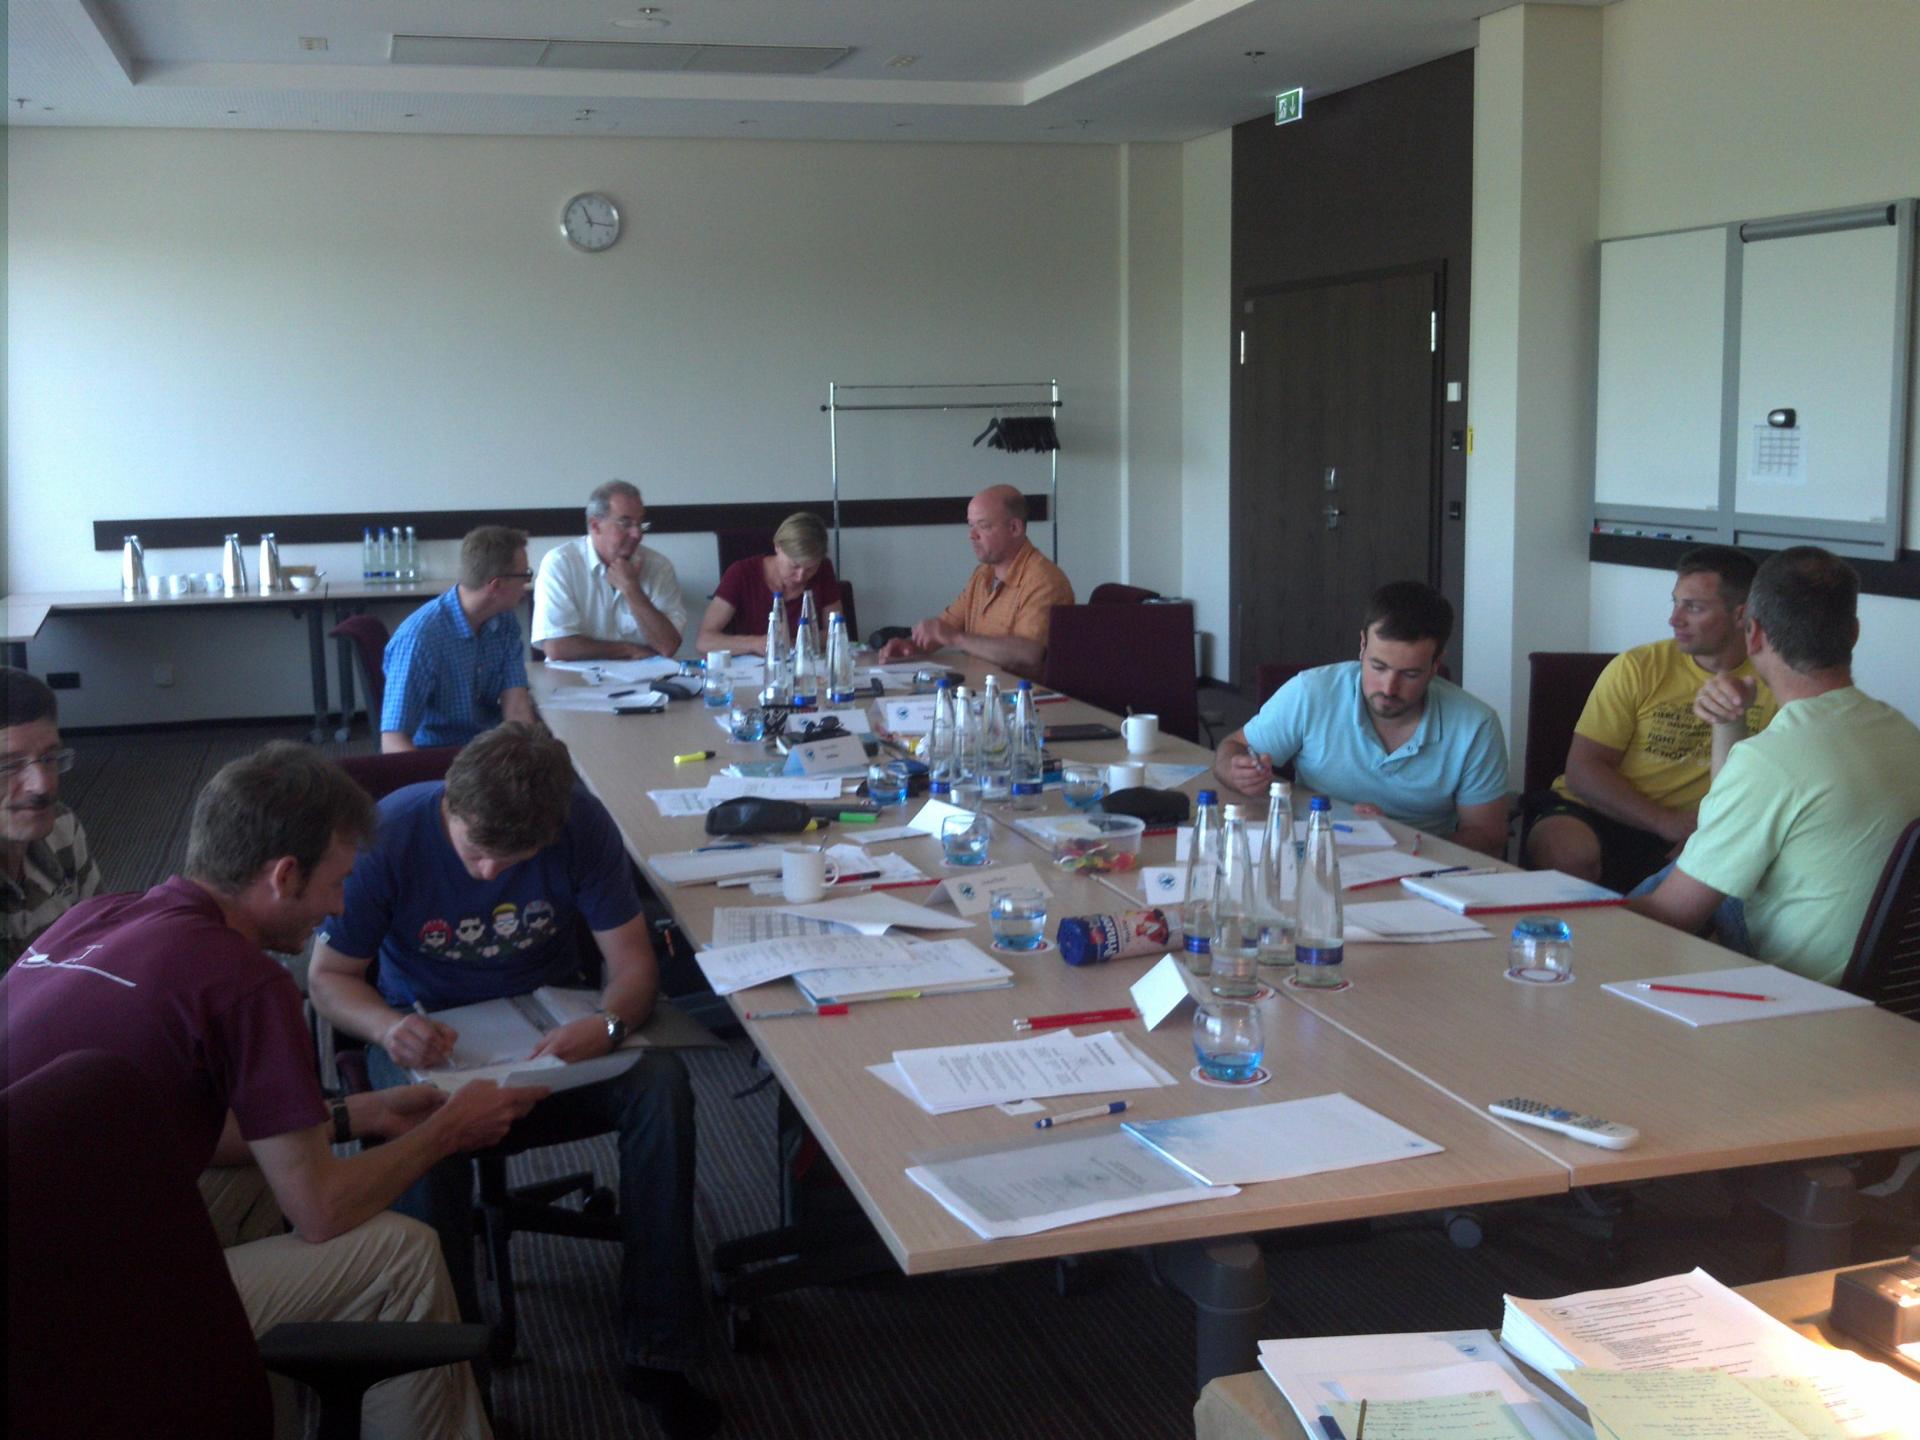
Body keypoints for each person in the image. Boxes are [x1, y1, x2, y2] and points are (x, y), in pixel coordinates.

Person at [1, 742, 541, 1440]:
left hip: (37, 1237)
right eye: (337, 883)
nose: (340, 905)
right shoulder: (248, 981)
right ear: (284, 876)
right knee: (400, 1253)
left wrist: (359, 1113)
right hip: (54, 1317)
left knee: (259, 1171)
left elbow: (171, 1124)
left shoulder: (100, 916)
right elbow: (321, 1210)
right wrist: (448, 1131)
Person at [308, 722, 718, 1439]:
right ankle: (455, 1383)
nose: (489, 873)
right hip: (424, 1034)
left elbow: (632, 965)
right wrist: (386, 1027)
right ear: (450, 805)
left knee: (661, 1085)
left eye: (512, 859)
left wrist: (611, 1025)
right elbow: (329, 978)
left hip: (549, 1031)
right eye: (475, 853)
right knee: (420, 1133)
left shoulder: (581, 823)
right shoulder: (391, 837)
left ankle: (660, 1350)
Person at [1629, 547, 1920, 985]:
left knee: (1656, 899)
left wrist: (1571, 913)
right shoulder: (1903, 731)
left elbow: (1668, 915)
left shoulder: (1772, 760)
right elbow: (1734, 817)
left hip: (1800, 989)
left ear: (1754, 634)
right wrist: (1730, 722)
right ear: (1854, 634)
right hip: (1891, 990)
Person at [1525, 546, 1777, 892]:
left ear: (1741, 614)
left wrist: (1710, 833)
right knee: (1569, 854)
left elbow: (1772, 785)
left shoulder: (1775, 678)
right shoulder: (1638, 667)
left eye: (1693, 607)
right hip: (1598, 809)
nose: (1674, 619)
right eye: (1675, 603)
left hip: (1700, 826)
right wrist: (1664, 821)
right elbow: (1583, 771)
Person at [1213, 581, 1510, 855]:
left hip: (1422, 865)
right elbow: (1232, 747)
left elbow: (1488, 836)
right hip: (1315, 850)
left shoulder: (1476, 725)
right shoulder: (1311, 692)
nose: (1388, 688)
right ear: (1362, 645)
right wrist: (1236, 771)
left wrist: (1403, 841)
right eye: (1378, 666)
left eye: (1410, 674)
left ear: (1435, 665)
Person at [878, 484, 1074, 679]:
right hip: (979, 688)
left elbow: (1028, 655)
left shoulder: (1045, 581)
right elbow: (945, 628)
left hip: (1022, 695)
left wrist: (956, 638)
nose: (972, 535)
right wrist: (911, 647)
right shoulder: (982, 575)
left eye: (983, 526)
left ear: (1014, 528)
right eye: (971, 525)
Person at [381, 524, 537, 753]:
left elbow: (517, 709)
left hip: (490, 749)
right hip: (437, 754)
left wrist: (530, 758)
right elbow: (393, 741)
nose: (527, 583)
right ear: (496, 585)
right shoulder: (420, 639)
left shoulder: (505, 622)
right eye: (525, 574)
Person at [2, 667, 101, 968]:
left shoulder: (61, 826)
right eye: (8, 765)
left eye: (49, 758)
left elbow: (102, 939)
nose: (43, 785)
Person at [533, 480, 687, 661]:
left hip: (645, 676)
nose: (637, 534)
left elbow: (668, 646)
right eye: (625, 524)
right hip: (574, 676)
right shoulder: (561, 563)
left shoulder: (658, 566)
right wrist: (627, 649)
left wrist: (632, 590)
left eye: (640, 524)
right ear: (596, 526)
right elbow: (556, 647)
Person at [694, 510, 842, 655]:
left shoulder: (823, 570)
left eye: (810, 568)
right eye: (794, 566)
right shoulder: (741, 573)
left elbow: (836, 631)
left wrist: (797, 642)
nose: (800, 577)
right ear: (777, 547)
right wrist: (754, 643)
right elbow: (704, 641)